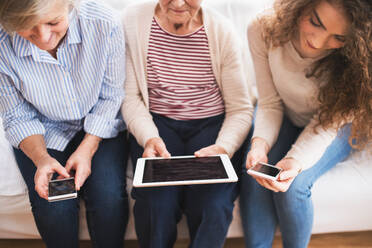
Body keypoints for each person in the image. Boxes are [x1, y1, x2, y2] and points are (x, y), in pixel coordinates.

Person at [121, 0, 255, 247]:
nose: (179, 3)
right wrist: (150, 138)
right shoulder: (133, 20)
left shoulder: (222, 31)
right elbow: (131, 98)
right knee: (155, 203)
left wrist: (223, 148)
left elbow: (241, 109)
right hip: (156, 124)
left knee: (213, 205)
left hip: (212, 126)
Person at [240, 0, 372, 247]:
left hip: (334, 125)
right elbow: (270, 102)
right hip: (287, 112)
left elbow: (326, 125)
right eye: (316, 22)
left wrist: (295, 161)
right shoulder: (261, 30)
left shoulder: (358, 67)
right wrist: (259, 144)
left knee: (293, 188)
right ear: (299, 6)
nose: (318, 42)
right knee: (254, 174)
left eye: (339, 38)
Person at [0, 0, 128, 247]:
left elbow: (111, 96)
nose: (44, 37)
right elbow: (18, 116)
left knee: (108, 198)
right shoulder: (3, 45)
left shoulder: (104, 23)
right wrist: (41, 159)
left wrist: (88, 148)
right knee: (54, 205)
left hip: (98, 125)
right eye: (29, 29)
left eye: (53, 22)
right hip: (43, 131)